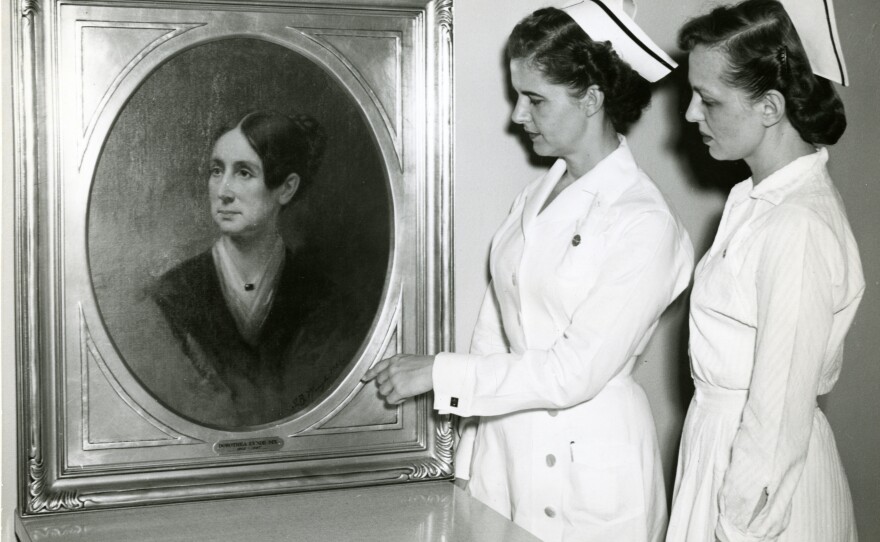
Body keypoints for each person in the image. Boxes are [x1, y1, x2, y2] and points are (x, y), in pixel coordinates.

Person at [364, 2, 693, 540]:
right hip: (507, 456)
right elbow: (493, 334)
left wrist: (438, 372)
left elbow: (575, 371)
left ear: (591, 99)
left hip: (590, 469)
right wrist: (470, 462)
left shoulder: (645, 222)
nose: (518, 115)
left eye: (535, 98)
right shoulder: (533, 199)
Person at [667, 1, 864, 541]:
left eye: (708, 99)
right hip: (720, 451)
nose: (689, 113)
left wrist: (740, 526)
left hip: (760, 493)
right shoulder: (754, 201)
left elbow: (776, 419)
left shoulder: (797, 225)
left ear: (770, 106)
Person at [150, 110, 364, 428]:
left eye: (244, 173)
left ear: (287, 188)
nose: (223, 190)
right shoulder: (170, 295)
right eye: (216, 170)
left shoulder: (324, 300)